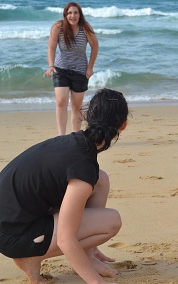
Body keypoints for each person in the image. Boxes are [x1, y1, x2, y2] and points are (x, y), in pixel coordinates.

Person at [0, 88, 129, 284]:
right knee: (111, 221)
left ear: (88, 116)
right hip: (12, 235)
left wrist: (90, 254)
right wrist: (96, 282)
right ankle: (30, 256)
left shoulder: (73, 143)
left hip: (13, 221)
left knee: (100, 180)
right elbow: (65, 239)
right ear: (124, 125)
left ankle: (88, 256)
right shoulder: (83, 167)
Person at [45, 2, 99, 135]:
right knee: (61, 101)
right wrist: (51, 65)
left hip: (80, 71)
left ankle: (75, 136)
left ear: (80, 15)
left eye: (75, 12)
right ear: (65, 15)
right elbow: (51, 48)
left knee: (76, 106)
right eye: (69, 13)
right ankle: (61, 136)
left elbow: (95, 46)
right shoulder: (58, 27)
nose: (72, 15)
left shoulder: (85, 28)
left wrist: (90, 68)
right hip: (60, 69)